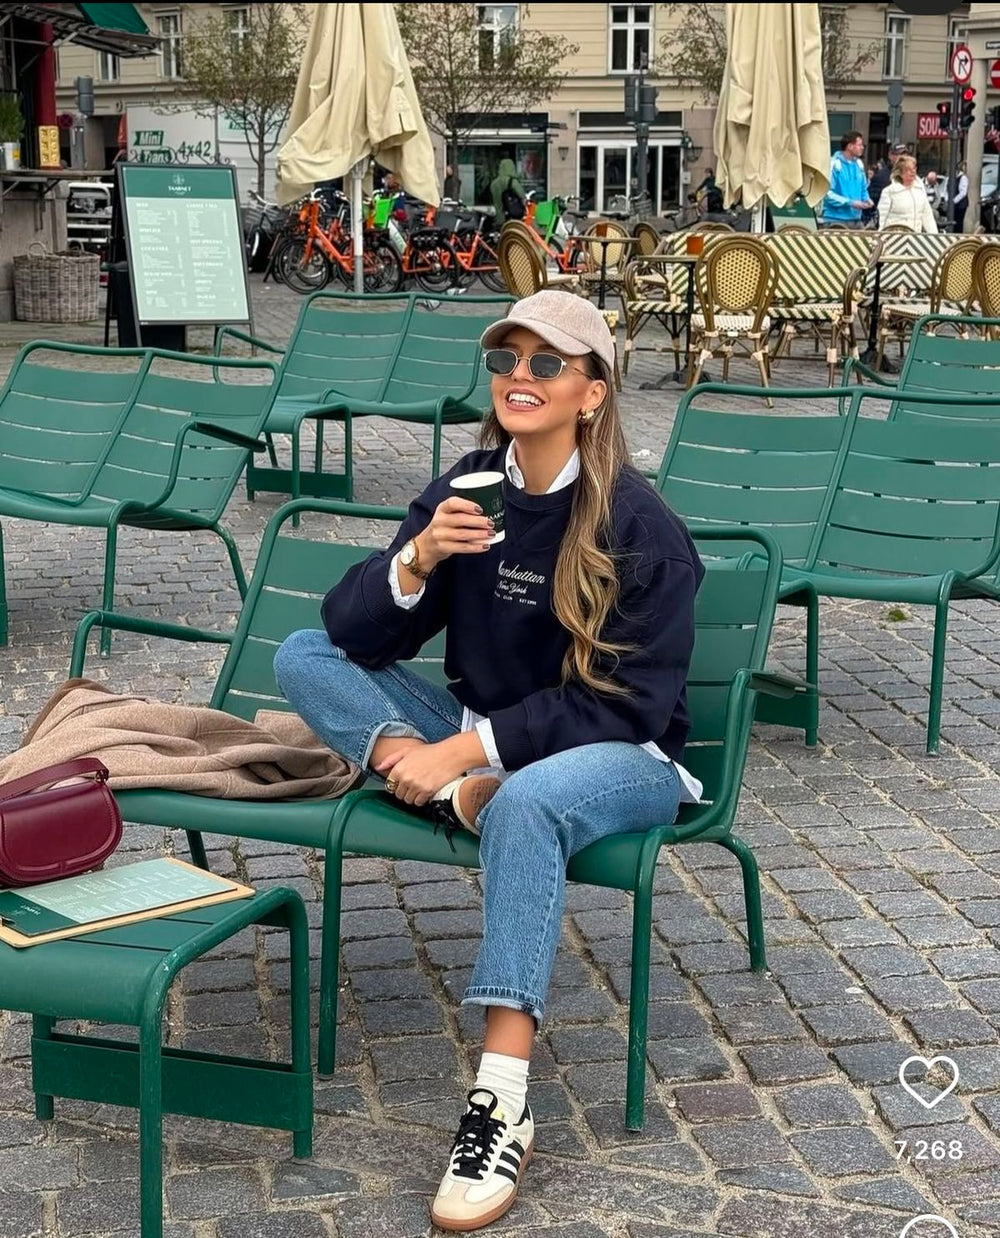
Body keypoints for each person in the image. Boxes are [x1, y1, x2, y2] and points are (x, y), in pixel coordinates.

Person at [273, 290, 705, 1232]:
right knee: (299, 656)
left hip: (623, 755)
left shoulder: (638, 526)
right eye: (506, 359)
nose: (520, 375)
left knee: (530, 803)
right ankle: (441, 781)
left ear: (593, 391)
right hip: (480, 737)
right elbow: (351, 637)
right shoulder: (468, 489)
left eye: (546, 362)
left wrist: (469, 745)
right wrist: (420, 557)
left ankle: (501, 1098)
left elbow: (628, 703)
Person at [822, 131, 872, 227]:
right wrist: (850, 202)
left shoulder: (859, 164)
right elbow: (827, 193)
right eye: (859, 145)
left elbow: (863, 189)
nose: (862, 147)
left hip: (856, 219)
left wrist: (867, 199)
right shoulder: (834, 164)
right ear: (850, 146)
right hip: (835, 219)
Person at [878, 155, 938, 233]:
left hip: (915, 238)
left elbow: (927, 216)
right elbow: (882, 218)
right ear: (900, 172)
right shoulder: (889, 191)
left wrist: (934, 236)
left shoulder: (920, 190)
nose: (913, 172)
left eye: (914, 168)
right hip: (894, 238)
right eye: (908, 170)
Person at [869, 142, 908, 210]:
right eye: (900, 154)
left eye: (905, 155)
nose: (904, 158)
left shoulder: (911, 175)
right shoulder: (880, 177)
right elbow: (873, 202)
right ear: (890, 155)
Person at [490, 156, 526, 221]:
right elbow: (522, 195)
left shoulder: (494, 183)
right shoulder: (512, 181)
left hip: (498, 216)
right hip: (510, 216)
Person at [953, 162, 970, 233]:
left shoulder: (963, 178)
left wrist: (954, 200)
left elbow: (963, 192)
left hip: (961, 204)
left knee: (959, 221)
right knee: (955, 220)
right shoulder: (954, 178)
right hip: (956, 203)